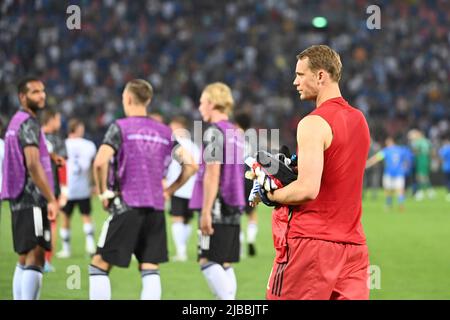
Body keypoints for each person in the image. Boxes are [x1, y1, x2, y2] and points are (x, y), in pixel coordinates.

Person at [260, 45, 370, 299]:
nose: (295, 81)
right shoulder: (359, 120)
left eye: (300, 74)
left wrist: (271, 194)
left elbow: (308, 189)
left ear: (321, 76)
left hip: (310, 245)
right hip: (353, 247)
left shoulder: (312, 123)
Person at [88, 79, 197, 300]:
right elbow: (192, 164)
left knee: (99, 265)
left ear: (127, 99)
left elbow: (100, 162)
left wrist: (102, 193)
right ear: (148, 100)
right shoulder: (165, 132)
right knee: (149, 268)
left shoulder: (120, 127)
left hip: (127, 203)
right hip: (155, 207)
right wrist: (170, 190)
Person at [1, 77, 59, 300]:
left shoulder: (16, 121)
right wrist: (51, 198)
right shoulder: (29, 122)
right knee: (36, 254)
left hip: (19, 195)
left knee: (25, 256)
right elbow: (33, 164)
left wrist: (50, 157)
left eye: (42, 91)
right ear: (22, 97)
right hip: (31, 196)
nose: (41, 95)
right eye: (35, 92)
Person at [189, 82, 245, 300]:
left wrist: (206, 211)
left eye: (202, 102)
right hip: (235, 204)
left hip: (217, 205)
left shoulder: (214, 132)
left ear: (211, 103)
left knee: (208, 260)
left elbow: (213, 173)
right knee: (224, 261)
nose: (200, 107)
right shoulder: (236, 133)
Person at [57, 119, 97, 258]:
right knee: (86, 216)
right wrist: (94, 184)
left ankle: (66, 249)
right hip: (83, 186)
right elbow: (93, 166)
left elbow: (59, 166)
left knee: (65, 218)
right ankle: (90, 245)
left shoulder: (63, 144)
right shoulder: (89, 145)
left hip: (67, 188)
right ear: (78, 128)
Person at [165, 116, 200, 262]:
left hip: (178, 187)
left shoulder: (174, 146)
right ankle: (182, 249)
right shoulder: (195, 146)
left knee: (177, 219)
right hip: (193, 188)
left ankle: (181, 251)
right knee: (187, 220)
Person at [41, 108, 67, 272]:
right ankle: (46, 261)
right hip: (52, 189)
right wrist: (64, 190)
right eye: (57, 119)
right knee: (51, 223)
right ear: (50, 120)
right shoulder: (57, 140)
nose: (59, 123)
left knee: (36, 224)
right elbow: (62, 166)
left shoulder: (34, 137)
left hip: (34, 189)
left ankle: (33, 260)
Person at [234, 111, 259, 257]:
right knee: (252, 213)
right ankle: (250, 239)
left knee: (236, 212)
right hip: (250, 177)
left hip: (237, 178)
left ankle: (240, 245)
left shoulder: (232, 139)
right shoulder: (252, 141)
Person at [366, 137, 409, 211]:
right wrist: (405, 168)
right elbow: (407, 159)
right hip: (399, 173)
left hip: (389, 172)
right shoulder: (400, 150)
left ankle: (389, 204)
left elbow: (376, 158)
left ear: (390, 142)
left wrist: (367, 164)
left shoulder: (386, 151)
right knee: (399, 189)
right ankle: (400, 204)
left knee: (388, 190)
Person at [408, 129, 435, 200]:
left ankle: (421, 192)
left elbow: (415, 151)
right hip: (426, 159)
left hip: (420, 159)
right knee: (424, 176)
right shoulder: (427, 141)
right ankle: (429, 192)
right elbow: (432, 151)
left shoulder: (418, 142)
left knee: (420, 176)